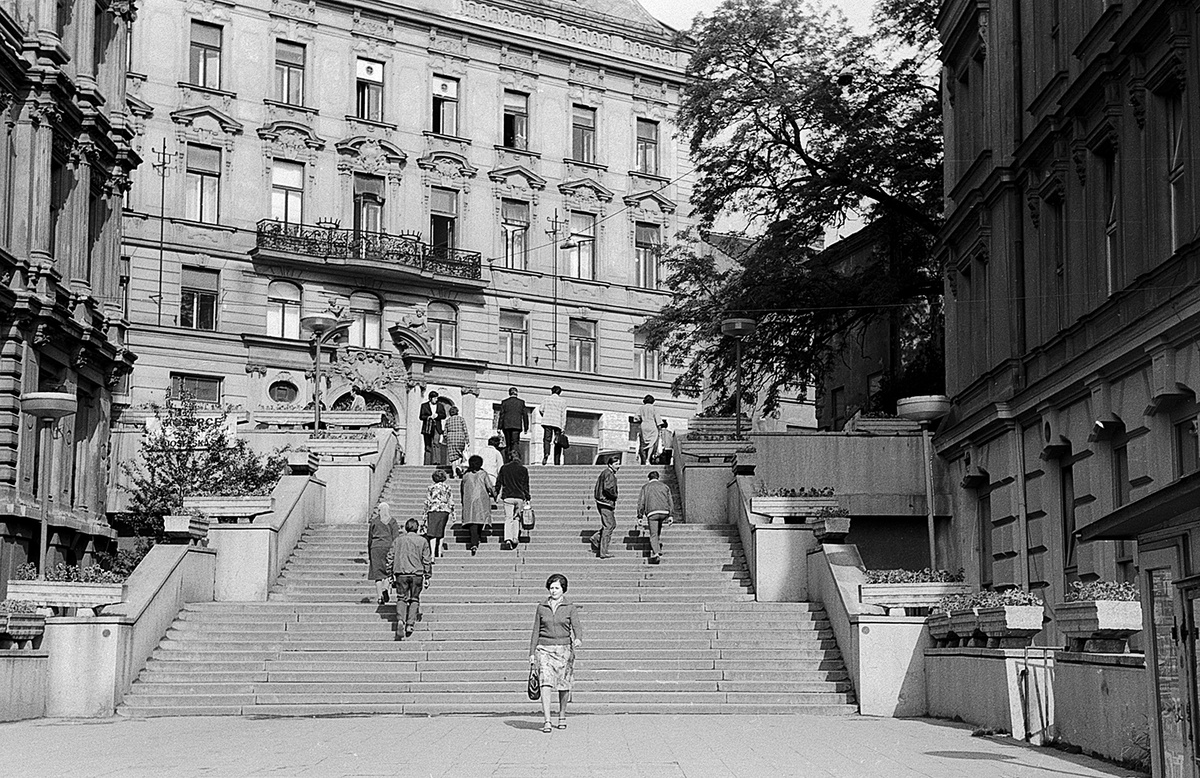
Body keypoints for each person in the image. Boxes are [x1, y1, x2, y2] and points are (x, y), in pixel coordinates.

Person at [529, 573, 583, 733]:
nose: (553, 591)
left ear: (563, 589)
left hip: (564, 649)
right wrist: (532, 652)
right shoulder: (541, 607)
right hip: (544, 648)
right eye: (551, 588)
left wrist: (578, 638)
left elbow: (577, 626)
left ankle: (562, 714)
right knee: (545, 682)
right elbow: (535, 630)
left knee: (563, 685)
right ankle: (546, 720)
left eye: (557, 588)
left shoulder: (570, 607)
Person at [388, 517, 432, 637]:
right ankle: (410, 624)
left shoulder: (398, 540)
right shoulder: (423, 541)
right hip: (417, 573)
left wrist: (389, 573)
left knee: (401, 598)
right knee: (414, 598)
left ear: (406, 528)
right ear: (417, 528)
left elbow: (390, 557)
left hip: (401, 573)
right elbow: (426, 559)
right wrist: (427, 576)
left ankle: (401, 619)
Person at [460, 454, 494, 555]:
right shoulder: (483, 474)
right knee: (479, 519)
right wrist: (494, 494)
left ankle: (474, 541)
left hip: (469, 499)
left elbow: (462, 489)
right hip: (481, 499)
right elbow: (489, 486)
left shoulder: (466, 475)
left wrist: (463, 500)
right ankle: (476, 539)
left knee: (472, 521)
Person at [636, 471, 673, 565]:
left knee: (653, 533)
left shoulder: (645, 487)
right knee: (658, 530)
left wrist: (640, 516)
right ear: (658, 477)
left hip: (652, 512)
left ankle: (656, 553)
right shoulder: (665, 486)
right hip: (664, 511)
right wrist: (671, 515)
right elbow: (670, 501)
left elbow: (641, 502)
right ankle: (657, 547)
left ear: (649, 478)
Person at [497, 452, 531, 550]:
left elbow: (499, 482)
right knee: (517, 518)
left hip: (508, 496)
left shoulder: (504, 468)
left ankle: (508, 538)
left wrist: (496, 493)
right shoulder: (523, 469)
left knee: (508, 518)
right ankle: (515, 537)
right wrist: (527, 497)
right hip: (519, 496)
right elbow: (525, 485)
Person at [367, 501, 399, 604]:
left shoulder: (374, 522)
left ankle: (380, 596)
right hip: (388, 546)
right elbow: (396, 538)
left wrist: (369, 552)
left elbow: (370, 538)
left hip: (375, 547)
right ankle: (386, 588)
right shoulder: (392, 521)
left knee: (378, 573)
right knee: (387, 570)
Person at [589, 455, 620, 559]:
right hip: (605, 502)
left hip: (602, 501)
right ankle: (603, 551)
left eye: (618, 463)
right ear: (610, 465)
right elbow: (608, 488)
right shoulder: (609, 474)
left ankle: (596, 537)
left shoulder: (606, 473)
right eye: (616, 464)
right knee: (609, 526)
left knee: (611, 524)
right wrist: (614, 495)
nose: (618, 466)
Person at [423, 469, 454, 559]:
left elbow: (427, 501)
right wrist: (453, 512)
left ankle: (432, 554)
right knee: (441, 531)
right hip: (444, 510)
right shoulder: (447, 487)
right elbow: (450, 500)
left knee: (432, 532)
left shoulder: (431, 487)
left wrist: (424, 514)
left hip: (433, 510)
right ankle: (439, 552)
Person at [538, 385, 567, 466]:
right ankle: (556, 461)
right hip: (557, 422)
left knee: (547, 439)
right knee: (557, 441)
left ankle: (546, 454)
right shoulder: (562, 401)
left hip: (547, 421)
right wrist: (563, 427)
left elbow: (541, 409)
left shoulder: (546, 399)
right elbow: (563, 415)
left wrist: (545, 415)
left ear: (552, 391)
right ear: (560, 392)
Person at [498, 387, 528, 462]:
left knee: (508, 443)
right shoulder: (521, 402)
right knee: (515, 442)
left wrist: (499, 427)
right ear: (516, 393)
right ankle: (515, 458)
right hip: (517, 426)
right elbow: (525, 415)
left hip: (506, 425)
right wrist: (526, 427)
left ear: (509, 393)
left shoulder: (505, 402)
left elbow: (501, 415)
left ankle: (508, 459)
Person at [633, 394, 662, 465]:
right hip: (652, 425)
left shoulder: (641, 408)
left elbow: (636, 419)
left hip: (644, 426)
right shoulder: (654, 408)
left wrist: (641, 420)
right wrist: (659, 428)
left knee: (643, 444)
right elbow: (658, 420)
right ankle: (648, 459)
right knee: (651, 444)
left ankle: (643, 459)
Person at [419, 390, 446, 465]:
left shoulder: (440, 406)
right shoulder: (424, 405)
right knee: (427, 445)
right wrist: (429, 417)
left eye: (437, 398)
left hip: (437, 427)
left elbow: (444, 415)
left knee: (436, 443)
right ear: (430, 398)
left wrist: (437, 415)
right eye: (434, 398)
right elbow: (421, 416)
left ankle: (436, 461)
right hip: (427, 427)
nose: (436, 400)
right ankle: (427, 462)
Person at [443, 405, 470, 476]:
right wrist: (467, 440)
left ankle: (454, 472)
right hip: (460, 437)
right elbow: (465, 430)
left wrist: (446, 438)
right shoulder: (461, 419)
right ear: (457, 412)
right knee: (460, 454)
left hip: (451, 438)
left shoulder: (448, 421)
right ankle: (459, 468)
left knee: (453, 456)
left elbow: (445, 433)